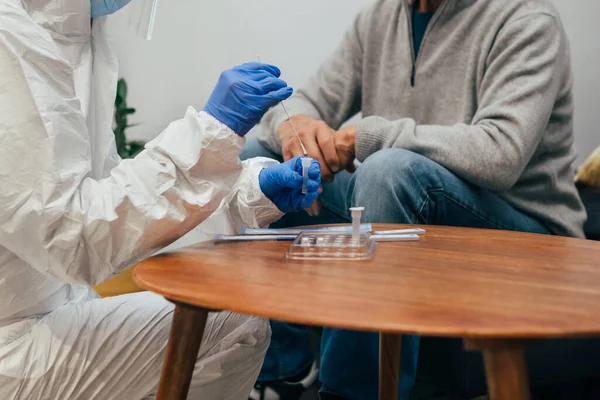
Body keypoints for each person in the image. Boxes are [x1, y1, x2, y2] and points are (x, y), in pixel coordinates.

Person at [241, 0, 587, 399]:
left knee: (386, 171)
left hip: (532, 236)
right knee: (262, 163)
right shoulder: (380, 17)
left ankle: (352, 393)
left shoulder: (526, 18)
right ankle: (280, 372)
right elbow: (310, 101)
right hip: (416, 206)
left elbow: (500, 155)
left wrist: (365, 137)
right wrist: (293, 128)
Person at [0, 0, 322, 399]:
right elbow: (72, 237)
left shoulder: (77, 36)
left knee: (226, 319)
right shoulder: (10, 39)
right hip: (11, 343)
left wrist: (250, 194)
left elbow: (116, 207)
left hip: (51, 311)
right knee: (232, 324)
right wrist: (209, 133)